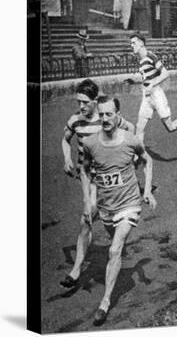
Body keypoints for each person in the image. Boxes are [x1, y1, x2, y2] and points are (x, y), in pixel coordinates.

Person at [78, 95, 155, 326]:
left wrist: (148, 190)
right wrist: (88, 201)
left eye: (109, 114)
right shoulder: (91, 143)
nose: (104, 118)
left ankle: (105, 303)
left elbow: (147, 160)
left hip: (130, 204)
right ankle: (118, 254)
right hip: (106, 207)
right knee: (116, 245)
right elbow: (84, 171)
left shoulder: (131, 140)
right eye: (101, 114)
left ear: (117, 115)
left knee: (114, 249)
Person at [60, 80, 134, 292]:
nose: (81, 106)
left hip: (110, 177)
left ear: (94, 101)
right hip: (89, 178)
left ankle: (117, 247)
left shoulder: (107, 118)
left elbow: (131, 131)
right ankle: (75, 270)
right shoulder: (75, 120)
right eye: (78, 101)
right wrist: (67, 158)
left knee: (108, 219)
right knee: (86, 218)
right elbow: (65, 140)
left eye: (84, 102)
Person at [131, 34, 177, 144]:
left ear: (141, 43)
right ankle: (139, 157)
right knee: (139, 127)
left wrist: (153, 83)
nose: (131, 45)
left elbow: (165, 73)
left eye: (134, 43)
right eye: (131, 43)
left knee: (170, 127)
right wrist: (134, 81)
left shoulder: (151, 56)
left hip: (157, 94)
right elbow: (147, 78)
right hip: (146, 96)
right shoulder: (141, 61)